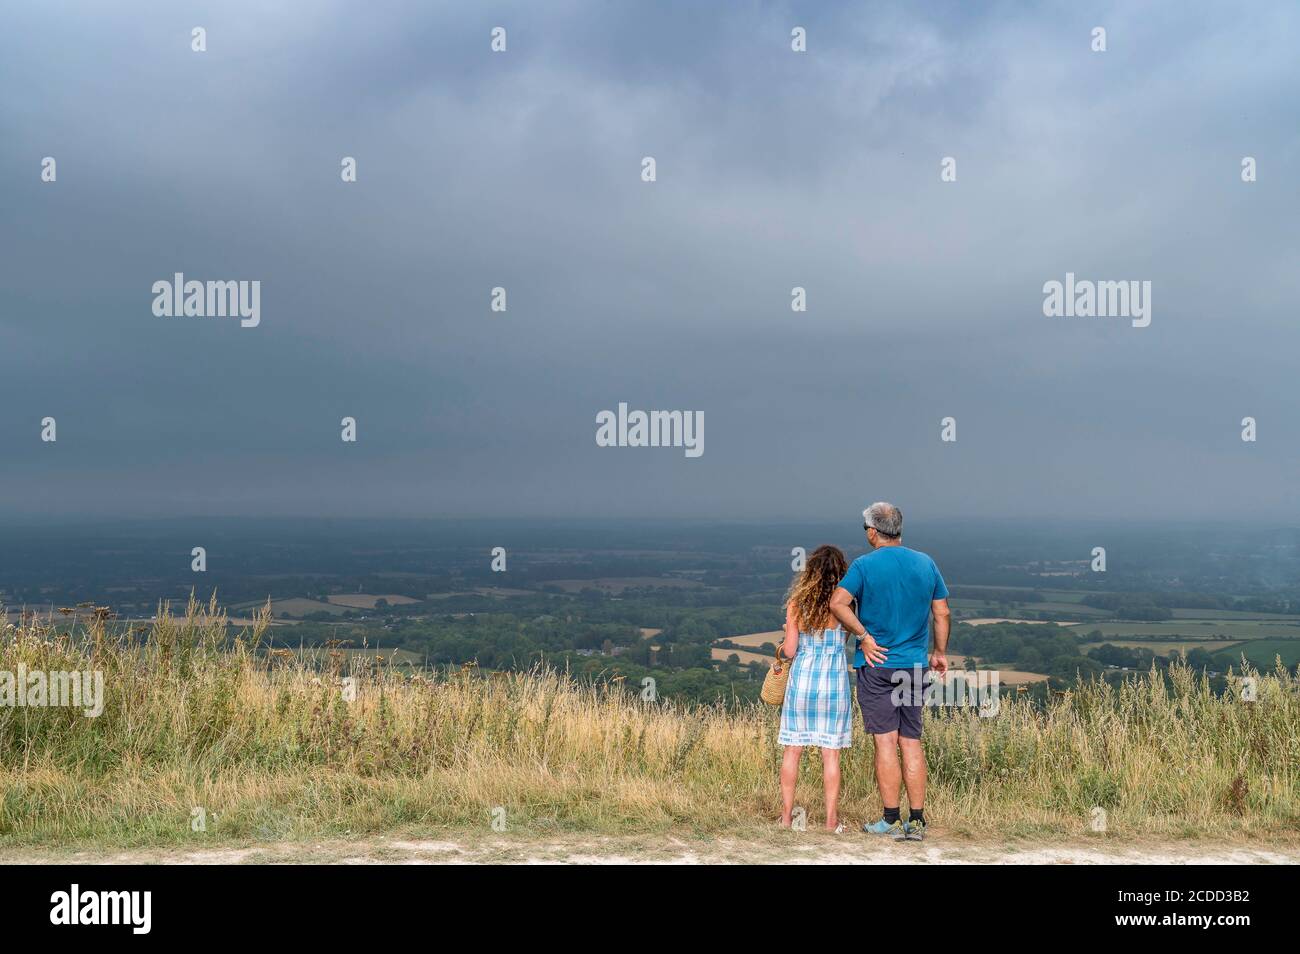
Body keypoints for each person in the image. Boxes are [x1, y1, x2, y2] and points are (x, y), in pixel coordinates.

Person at [829, 502, 950, 841]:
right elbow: (941, 612)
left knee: (885, 743)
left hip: (877, 665)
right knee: (911, 741)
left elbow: (837, 603)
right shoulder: (926, 563)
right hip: (914, 665)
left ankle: (891, 820)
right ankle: (918, 822)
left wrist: (864, 636)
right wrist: (939, 652)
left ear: (872, 532)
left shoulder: (864, 566)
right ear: (899, 529)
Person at [778, 545, 854, 833]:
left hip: (802, 684)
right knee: (830, 755)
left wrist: (787, 630)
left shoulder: (798, 603)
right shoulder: (845, 605)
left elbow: (790, 650)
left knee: (792, 751)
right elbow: (843, 642)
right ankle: (831, 821)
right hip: (833, 684)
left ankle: (786, 818)